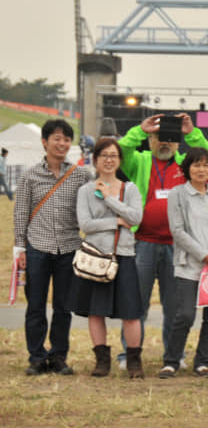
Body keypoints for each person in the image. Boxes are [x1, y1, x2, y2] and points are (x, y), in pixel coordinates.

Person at [117, 112, 208, 369]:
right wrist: (140, 129)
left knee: (175, 306)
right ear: (150, 140)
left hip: (178, 246)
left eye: (170, 139)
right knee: (136, 302)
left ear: (177, 143)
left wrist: (191, 132)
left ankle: (175, 355)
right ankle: (129, 354)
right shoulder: (138, 161)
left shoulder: (186, 164)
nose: (165, 143)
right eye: (158, 138)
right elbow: (121, 149)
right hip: (143, 243)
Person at [14, 119, 92, 375]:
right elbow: (20, 214)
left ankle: (58, 357)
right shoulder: (30, 176)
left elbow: (94, 200)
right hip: (37, 247)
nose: (62, 143)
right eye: (57, 138)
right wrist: (19, 249)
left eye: (66, 139)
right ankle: (36, 357)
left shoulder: (80, 174)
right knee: (35, 306)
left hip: (69, 248)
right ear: (44, 141)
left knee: (63, 307)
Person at [66, 138, 144, 378]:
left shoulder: (129, 189)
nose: (109, 160)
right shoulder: (85, 191)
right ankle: (101, 361)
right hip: (96, 257)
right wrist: (116, 221)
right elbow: (86, 225)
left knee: (130, 313)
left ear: (119, 160)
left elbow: (136, 218)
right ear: (95, 160)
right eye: (104, 156)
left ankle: (133, 362)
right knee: (95, 311)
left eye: (113, 156)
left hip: (124, 255)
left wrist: (110, 198)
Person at [159, 148, 208, 378]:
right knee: (185, 315)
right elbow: (177, 231)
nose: (201, 169)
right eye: (196, 164)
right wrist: (204, 255)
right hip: (189, 265)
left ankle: (202, 362)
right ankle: (171, 361)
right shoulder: (178, 194)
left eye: (205, 165)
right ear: (187, 168)